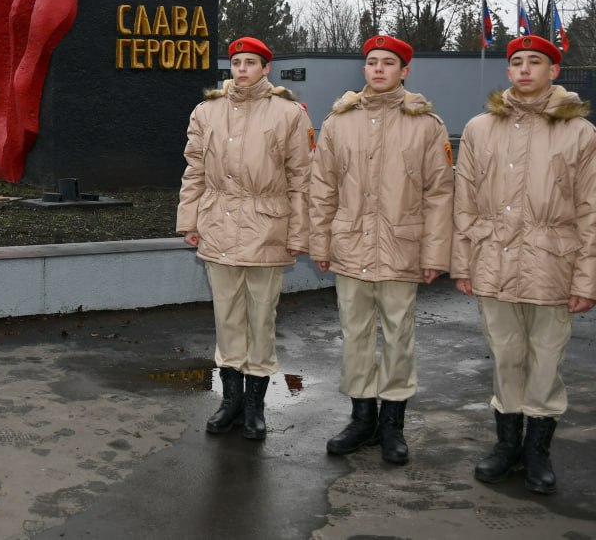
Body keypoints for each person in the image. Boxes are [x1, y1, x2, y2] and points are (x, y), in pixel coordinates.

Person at [451, 35, 596, 494]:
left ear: (554, 71)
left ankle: (538, 452)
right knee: (506, 357)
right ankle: (507, 446)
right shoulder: (479, 128)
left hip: (553, 263)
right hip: (494, 259)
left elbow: (592, 209)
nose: (526, 69)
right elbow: (465, 202)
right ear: (508, 72)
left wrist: (587, 277)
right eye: (517, 62)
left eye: (536, 62)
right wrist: (465, 264)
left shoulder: (580, 133)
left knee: (546, 361)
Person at [309, 35, 453, 465]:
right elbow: (322, 190)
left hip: (401, 248)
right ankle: (361, 419)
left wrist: (434, 255)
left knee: (398, 337)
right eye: (372, 62)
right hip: (352, 245)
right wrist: (321, 242)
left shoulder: (427, 125)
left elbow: (440, 195)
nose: (378, 69)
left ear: (404, 71)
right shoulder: (338, 122)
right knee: (354, 335)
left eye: (388, 63)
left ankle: (393, 425)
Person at [177, 36, 314, 440]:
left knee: (261, 318)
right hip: (218, 224)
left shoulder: (289, 114)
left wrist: (298, 232)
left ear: (266, 68)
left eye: (250, 63)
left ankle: (256, 406)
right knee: (228, 318)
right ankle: (230, 401)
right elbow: (194, 171)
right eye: (236, 62)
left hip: (267, 228)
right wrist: (190, 221)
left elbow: (301, 179)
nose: (241, 70)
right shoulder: (207, 112)